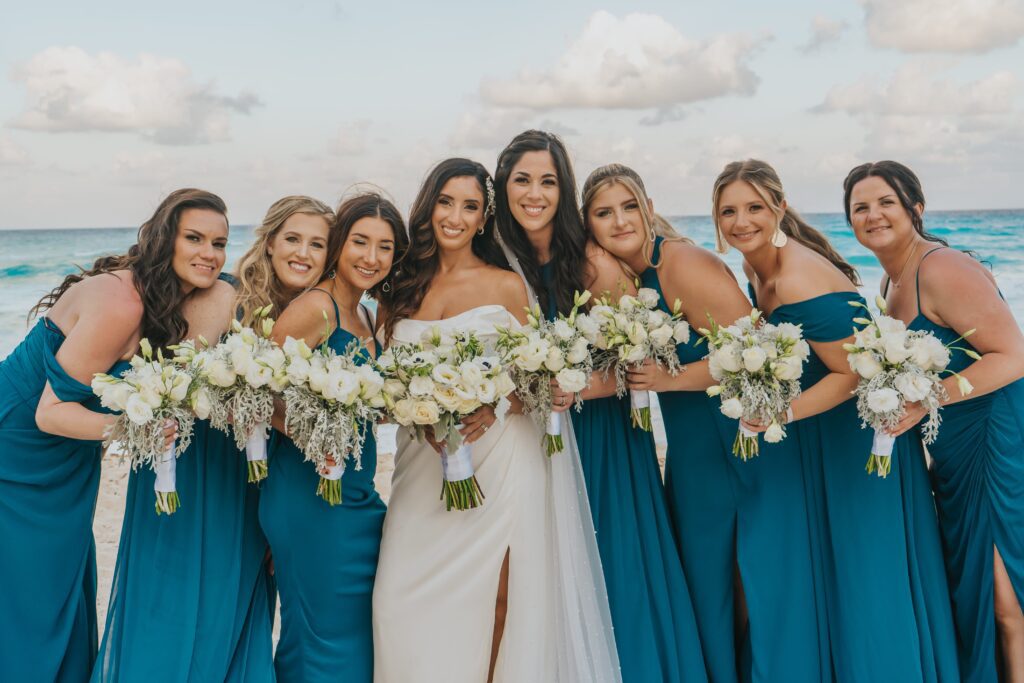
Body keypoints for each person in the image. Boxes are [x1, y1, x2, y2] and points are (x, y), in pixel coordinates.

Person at [717, 159, 958, 682]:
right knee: (811, 568)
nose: (742, 221)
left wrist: (775, 413)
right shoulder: (755, 267)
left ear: (779, 208)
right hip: (816, 438)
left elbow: (851, 375)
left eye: (755, 207)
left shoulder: (797, 272)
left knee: (862, 574)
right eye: (729, 210)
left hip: (852, 444)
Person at [583, 162, 823, 682]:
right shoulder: (623, 278)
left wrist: (666, 380)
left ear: (648, 209)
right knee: (706, 573)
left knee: (750, 573)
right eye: (604, 213)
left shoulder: (683, 263)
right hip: (693, 448)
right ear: (589, 224)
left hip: (738, 436)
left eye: (629, 207)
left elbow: (752, 357)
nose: (620, 221)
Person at [494, 132, 707, 683]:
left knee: (613, 563)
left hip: (604, 439)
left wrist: (581, 386)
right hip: (534, 438)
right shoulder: (501, 259)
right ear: (504, 187)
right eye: (523, 180)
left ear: (563, 190)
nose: (535, 193)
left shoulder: (593, 262)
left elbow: (641, 360)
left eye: (549, 181)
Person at [0, 189, 218, 682]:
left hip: (69, 458)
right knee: (26, 596)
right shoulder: (121, 301)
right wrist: (139, 428)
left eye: (220, 242)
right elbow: (50, 413)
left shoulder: (162, 297)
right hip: (16, 450)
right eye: (195, 238)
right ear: (165, 239)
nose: (210, 252)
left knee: (59, 586)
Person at [845, 160, 1024, 683]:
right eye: (860, 207)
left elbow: (1013, 355)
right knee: (972, 580)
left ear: (915, 209)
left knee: (1004, 591)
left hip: (992, 439)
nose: (873, 215)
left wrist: (929, 401)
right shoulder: (891, 277)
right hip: (949, 446)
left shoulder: (941, 269)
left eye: (886, 203)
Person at [259, 191, 407, 683]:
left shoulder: (368, 314)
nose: (371, 257)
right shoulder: (314, 308)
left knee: (354, 633)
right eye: (360, 242)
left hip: (359, 492)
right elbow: (259, 401)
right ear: (339, 245)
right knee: (323, 637)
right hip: (308, 496)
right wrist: (322, 429)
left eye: (384, 247)